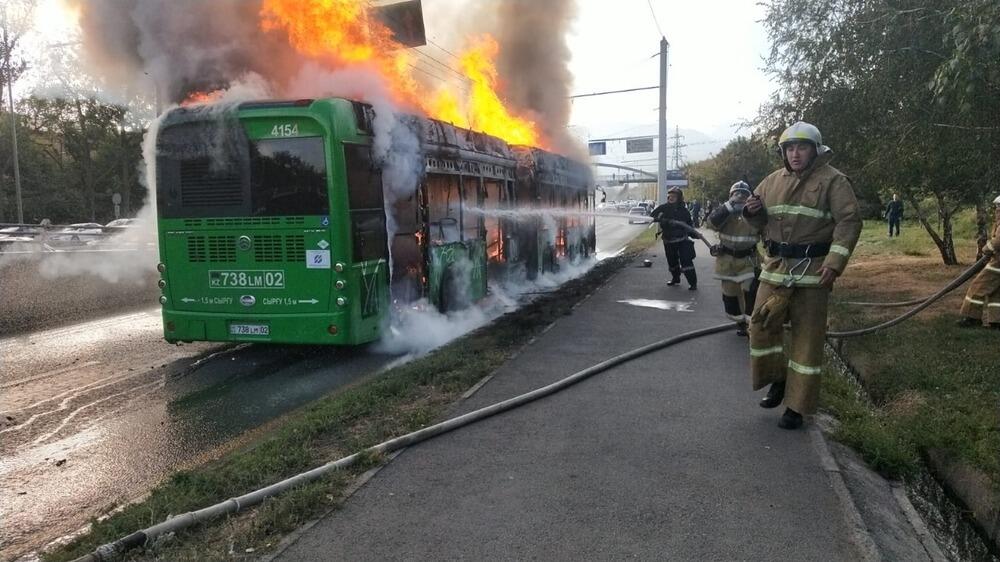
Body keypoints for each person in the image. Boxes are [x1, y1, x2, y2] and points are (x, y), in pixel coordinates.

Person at [742, 121, 862, 430]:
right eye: (790, 148)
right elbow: (758, 225)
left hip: (813, 274)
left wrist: (835, 262)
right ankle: (777, 379)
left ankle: (797, 406)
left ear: (815, 149)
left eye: (802, 147)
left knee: (807, 342)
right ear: (783, 152)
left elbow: (849, 222)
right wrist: (753, 213)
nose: (795, 154)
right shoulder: (770, 182)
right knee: (760, 326)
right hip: (776, 269)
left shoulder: (834, 181)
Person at [707, 181, 762, 336]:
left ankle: (752, 324)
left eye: (743, 195)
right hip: (727, 260)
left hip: (749, 260)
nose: (740, 197)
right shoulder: (724, 213)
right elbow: (711, 223)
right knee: (730, 294)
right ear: (730, 196)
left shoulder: (754, 213)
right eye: (736, 194)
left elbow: (764, 226)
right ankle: (740, 322)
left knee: (751, 292)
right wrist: (728, 208)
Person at [957, 194, 1000, 329]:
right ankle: (996, 322)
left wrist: (986, 248)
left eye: (998, 207)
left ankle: (972, 318)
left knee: (977, 287)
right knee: (996, 293)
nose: (996, 210)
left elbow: (998, 242)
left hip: (997, 264)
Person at [651, 186, 697, 289]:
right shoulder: (663, 208)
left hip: (682, 240)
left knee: (686, 261)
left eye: (674, 196)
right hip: (668, 239)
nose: (671, 198)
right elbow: (652, 216)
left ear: (679, 198)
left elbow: (689, 224)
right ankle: (675, 278)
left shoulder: (684, 211)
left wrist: (693, 233)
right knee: (672, 262)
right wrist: (664, 220)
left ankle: (693, 283)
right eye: (670, 196)